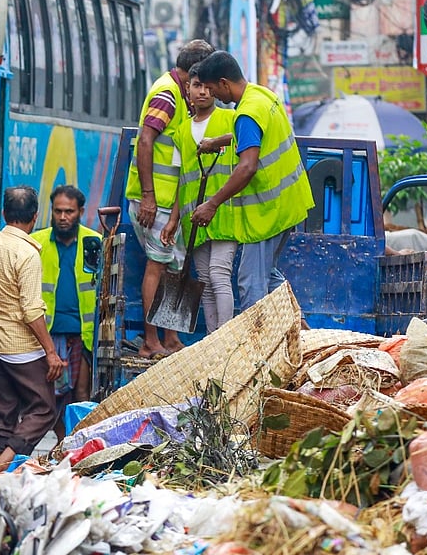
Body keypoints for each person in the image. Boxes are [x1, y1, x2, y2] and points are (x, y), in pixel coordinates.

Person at [192, 51, 315, 310]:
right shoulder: (262, 95)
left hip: (267, 214)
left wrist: (212, 204)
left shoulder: (246, 114)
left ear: (224, 83)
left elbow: (247, 167)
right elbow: (252, 136)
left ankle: (257, 346)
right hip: (290, 203)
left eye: (213, 89)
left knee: (250, 283)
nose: (213, 95)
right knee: (269, 276)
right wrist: (218, 141)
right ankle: (301, 329)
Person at [0, 185, 66, 476]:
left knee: (5, 410)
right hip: (23, 350)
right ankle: (0, 466)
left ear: (5, 214)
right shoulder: (28, 254)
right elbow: (32, 310)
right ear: (34, 218)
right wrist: (50, 351)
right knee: (44, 409)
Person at [125, 38, 215, 358]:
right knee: (158, 266)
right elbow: (145, 142)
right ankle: (151, 341)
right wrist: (149, 196)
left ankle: (171, 337)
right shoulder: (167, 94)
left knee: (176, 266)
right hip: (156, 200)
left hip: (170, 201)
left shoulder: (181, 93)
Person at [161, 66, 239, 333]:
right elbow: (182, 179)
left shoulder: (230, 119)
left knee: (219, 275)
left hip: (224, 211)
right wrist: (173, 221)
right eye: (196, 85)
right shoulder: (181, 132)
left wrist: (218, 141)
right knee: (204, 279)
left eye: (207, 86)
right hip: (192, 217)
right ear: (188, 91)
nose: (203, 91)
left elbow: (247, 139)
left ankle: (225, 339)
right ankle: (211, 338)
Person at [30, 185, 101, 438]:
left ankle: (75, 443)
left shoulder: (95, 243)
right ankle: (63, 442)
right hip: (48, 333)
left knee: (81, 394)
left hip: (83, 332)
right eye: (58, 211)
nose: (62, 217)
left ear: (80, 212)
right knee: (52, 397)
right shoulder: (36, 243)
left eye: (68, 212)